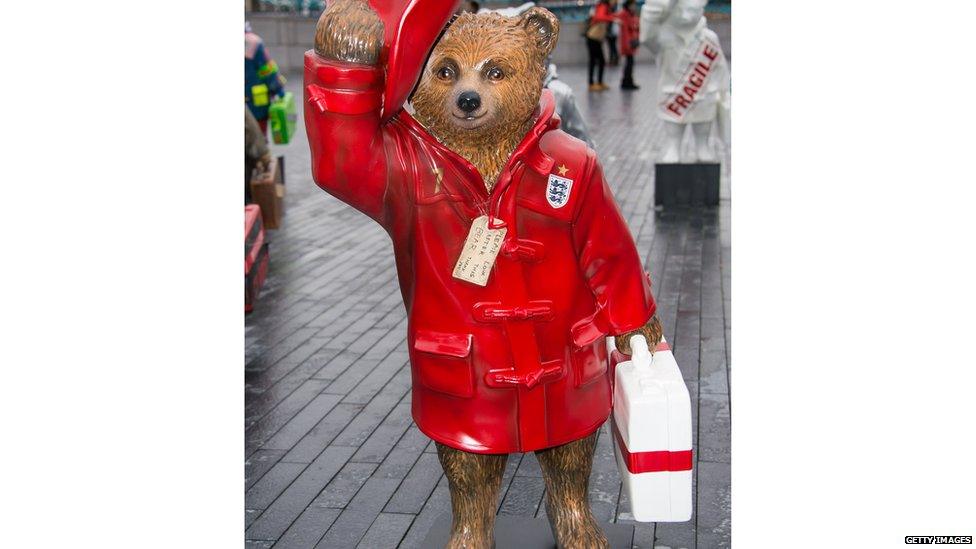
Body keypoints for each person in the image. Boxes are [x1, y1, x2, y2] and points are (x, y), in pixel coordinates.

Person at [245, 21, 285, 135]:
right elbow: (267, 71)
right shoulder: (252, 42)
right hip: (255, 105)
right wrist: (279, 90)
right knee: (257, 141)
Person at [585, 0, 615, 91]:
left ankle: (599, 82)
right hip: (592, 37)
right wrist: (611, 18)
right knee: (594, 61)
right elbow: (599, 17)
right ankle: (591, 83)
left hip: (597, 39)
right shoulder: (603, 6)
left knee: (600, 61)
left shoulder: (606, 8)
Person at [618, 0, 640, 89]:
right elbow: (625, 32)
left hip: (631, 42)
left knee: (630, 63)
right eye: (632, 5)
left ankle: (628, 81)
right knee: (629, 63)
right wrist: (627, 45)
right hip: (628, 43)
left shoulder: (632, 14)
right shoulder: (624, 15)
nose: (634, 7)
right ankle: (627, 82)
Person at [605, 0, 620, 66]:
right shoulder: (612, 7)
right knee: (611, 45)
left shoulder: (613, 8)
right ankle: (613, 59)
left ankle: (614, 59)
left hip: (612, 30)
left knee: (612, 45)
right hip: (610, 30)